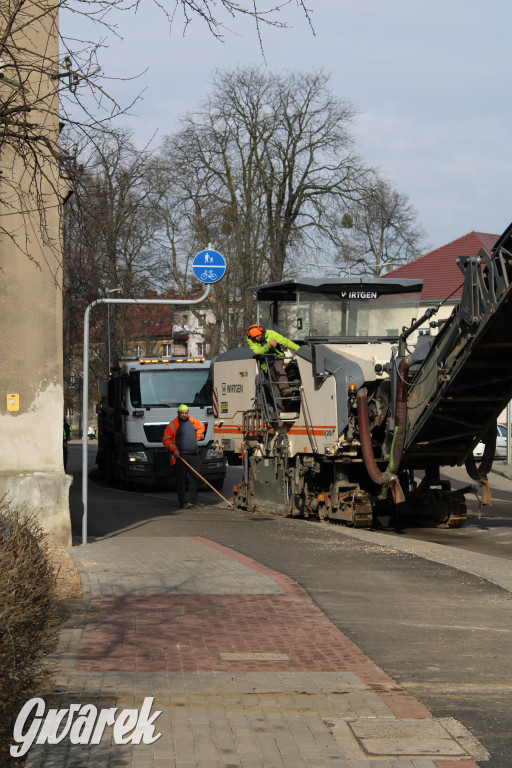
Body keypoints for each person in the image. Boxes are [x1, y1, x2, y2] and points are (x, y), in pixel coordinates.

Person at [162, 404, 205, 508]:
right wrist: (174, 449)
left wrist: (197, 437)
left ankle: (193, 500)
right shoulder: (173, 424)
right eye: (182, 413)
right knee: (180, 479)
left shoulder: (192, 421)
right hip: (180, 456)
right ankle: (183, 502)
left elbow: (201, 426)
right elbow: (166, 440)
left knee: (195, 477)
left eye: (186, 413)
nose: (185, 415)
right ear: (178, 413)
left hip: (193, 455)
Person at [247, 324, 299, 403]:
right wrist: (269, 345)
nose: (257, 339)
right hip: (266, 363)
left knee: (279, 369)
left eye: (258, 336)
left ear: (261, 332)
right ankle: (279, 410)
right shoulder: (250, 340)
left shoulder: (271, 334)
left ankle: (285, 389)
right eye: (255, 337)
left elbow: (285, 342)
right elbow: (258, 351)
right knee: (272, 385)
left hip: (277, 357)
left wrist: (300, 349)